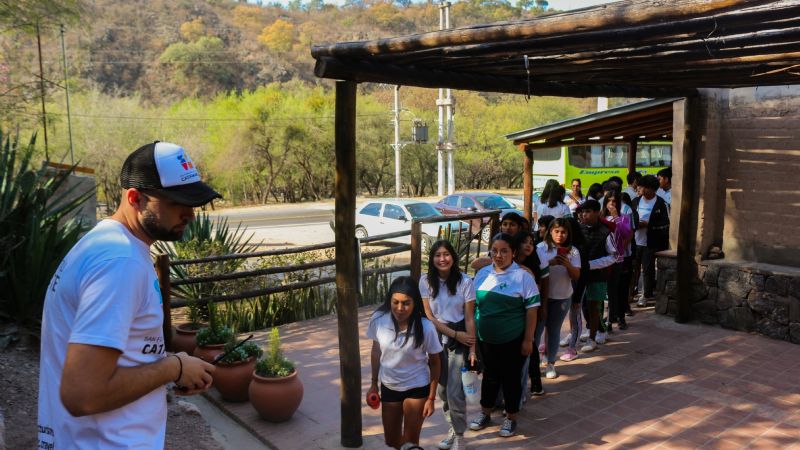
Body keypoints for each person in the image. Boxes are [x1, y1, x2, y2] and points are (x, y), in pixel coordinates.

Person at [37, 141, 220, 449]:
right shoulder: (120, 262)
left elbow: (121, 359)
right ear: (134, 198)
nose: (190, 214)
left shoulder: (105, 244)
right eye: (178, 202)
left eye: (194, 202)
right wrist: (172, 367)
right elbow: (83, 394)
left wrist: (173, 370)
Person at [469, 233, 539, 438]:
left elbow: (532, 310)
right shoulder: (482, 274)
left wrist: (528, 340)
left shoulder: (523, 277)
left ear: (514, 253)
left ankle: (511, 417)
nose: (498, 255)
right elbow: (472, 306)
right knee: (490, 376)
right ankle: (485, 413)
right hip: (486, 339)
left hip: (512, 340)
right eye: (494, 251)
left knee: (511, 379)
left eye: (504, 251)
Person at [368, 276, 443, 450]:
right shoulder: (379, 319)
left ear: (415, 303)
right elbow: (375, 350)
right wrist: (373, 384)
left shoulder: (426, 327)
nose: (400, 308)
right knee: (392, 441)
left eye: (406, 303)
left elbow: (435, 362)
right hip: (389, 386)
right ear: (390, 301)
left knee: (410, 442)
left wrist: (431, 398)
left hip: (417, 388)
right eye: (395, 302)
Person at [420, 241, 476, 450]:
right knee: (442, 391)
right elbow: (428, 315)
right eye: (437, 255)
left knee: (455, 391)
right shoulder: (425, 281)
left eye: (446, 254)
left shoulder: (465, 282)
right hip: (436, 340)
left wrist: (472, 348)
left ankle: (459, 435)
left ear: (453, 257)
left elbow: (470, 318)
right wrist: (454, 334)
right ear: (432, 259)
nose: (442, 259)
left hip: (460, 341)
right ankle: (452, 427)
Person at [535, 219, 580, 379]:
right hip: (541, 298)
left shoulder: (573, 251)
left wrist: (567, 264)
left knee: (554, 331)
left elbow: (576, 276)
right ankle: (533, 364)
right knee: (537, 332)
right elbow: (535, 272)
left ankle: (550, 363)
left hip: (562, 297)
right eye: (557, 231)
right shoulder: (540, 248)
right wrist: (550, 263)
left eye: (563, 232)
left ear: (568, 234)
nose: (560, 235)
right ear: (550, 232)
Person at [578, 199, 617, 353]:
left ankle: (593, 337)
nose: (584, 215)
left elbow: (614, 256)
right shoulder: (579, 229)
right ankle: (593, 329)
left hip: (598, 275)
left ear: (597, 213)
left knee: (594, 306)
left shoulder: (606, 232)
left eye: (587, 212)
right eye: (582, 212)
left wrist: (592, 265)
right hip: (580, 275)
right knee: (583, 305)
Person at [632, 175, 671, 307]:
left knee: (647, 269)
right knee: (633, 269)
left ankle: (645, 295)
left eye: (644, 187)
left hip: (651, 242)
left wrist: (648, 225)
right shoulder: (636, 201)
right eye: (640, 186)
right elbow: (629, 218)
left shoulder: (661, 203)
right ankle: (631, 293)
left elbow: (666, 224)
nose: (640, 189)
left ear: (652, 189)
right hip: (635, 241)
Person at [602, 192, 634, 331]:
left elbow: (626, 233)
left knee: (617, 289)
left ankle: (618, 317)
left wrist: (616, 216)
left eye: (614, 201)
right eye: (609, 201)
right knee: (605, 291)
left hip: (618, 259)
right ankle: (607, 319)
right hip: (603, 259)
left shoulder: (623, 217)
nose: (612, 204)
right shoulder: (601, 217)